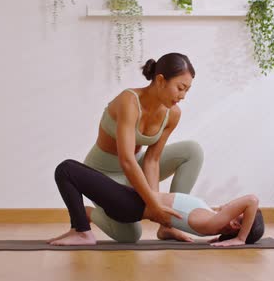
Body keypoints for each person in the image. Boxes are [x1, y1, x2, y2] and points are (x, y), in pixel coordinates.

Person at [61, 53, 204, 243]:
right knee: (129, 236)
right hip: (105, 175)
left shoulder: (173, 114)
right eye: (180, 88)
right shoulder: (129, 100)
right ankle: (88, 214)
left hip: (136, 167)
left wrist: (158, 204)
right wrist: (152, 205)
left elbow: (152, 160)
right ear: (161, 80)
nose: (183, 96)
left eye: (187, 90)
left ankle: (169, 226)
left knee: (192, 151)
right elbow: (126, 159)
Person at [47, 159, 264, 246]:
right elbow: (171, 221)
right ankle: (78, 227)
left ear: (235, 225)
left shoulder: (213, 223)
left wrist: (241, 239)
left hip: (129, 205)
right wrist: (170, 230)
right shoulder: (209, 216)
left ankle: (83, 232)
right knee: (71, 169)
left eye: (239, 216)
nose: (232, 206)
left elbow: (252, 200)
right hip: (130, 200)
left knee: (66, 169)